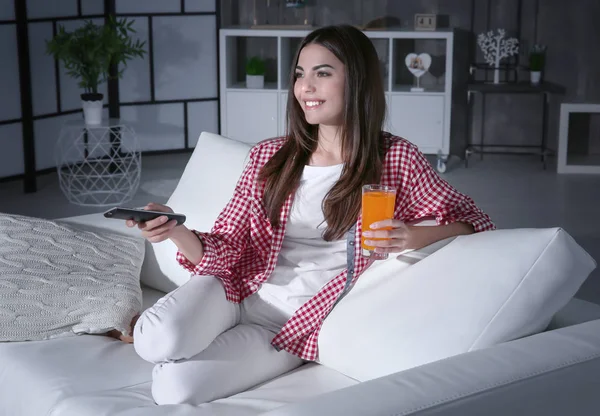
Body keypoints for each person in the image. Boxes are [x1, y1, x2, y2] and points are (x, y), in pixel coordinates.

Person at [122, 24, 495, 405]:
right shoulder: (268, 156)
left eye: (323, 73)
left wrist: (416, 237)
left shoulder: (396, 159)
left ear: (358, 81)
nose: (306, 88)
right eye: (300, 75)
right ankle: (147, 330)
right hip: (234, 289)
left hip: (291, 325)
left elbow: (474, 220)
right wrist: (174, 230)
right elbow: (230, 245)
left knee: (173, 390)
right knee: (156, 338)